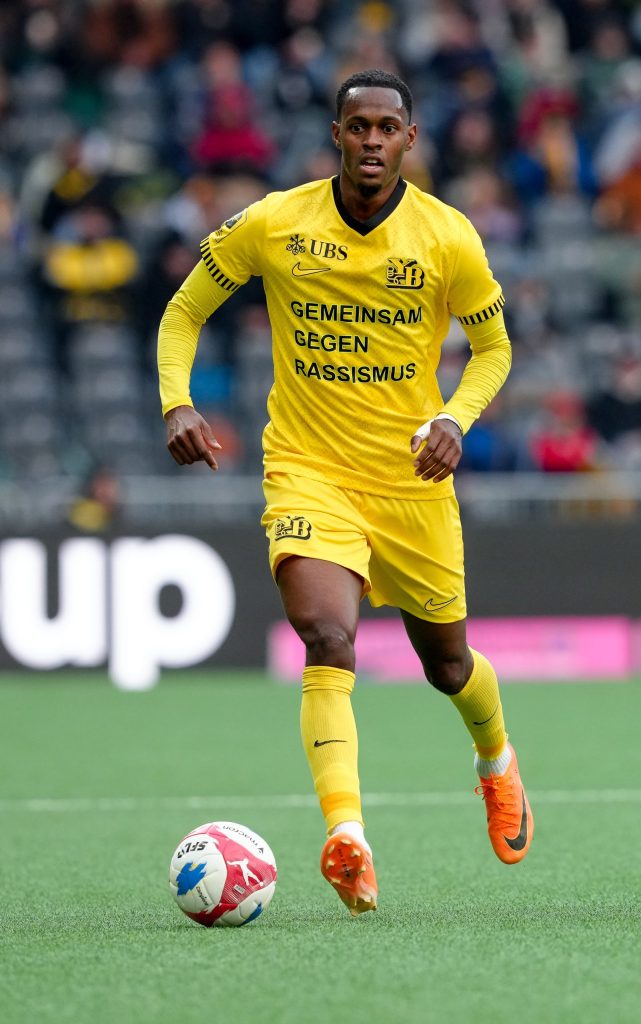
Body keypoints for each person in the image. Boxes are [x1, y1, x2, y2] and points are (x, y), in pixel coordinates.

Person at [158, 68, 534, 918]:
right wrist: (176, 401)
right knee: (326, 635)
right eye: (356, 125)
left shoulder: (446, 236)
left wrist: (455, 418)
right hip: (308, 468)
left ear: (409, 140)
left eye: (385, 128)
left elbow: (494, 348)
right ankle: (347, 836)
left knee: (447, 665)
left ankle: (495, 761)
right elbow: (183, 312)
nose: (370, 140)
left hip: (410, 479)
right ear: (335, 135)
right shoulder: (274, 222)